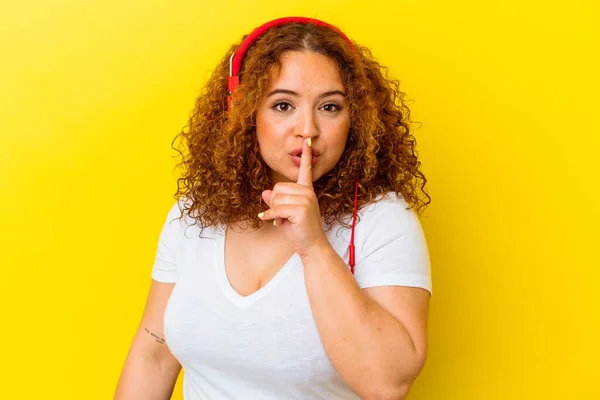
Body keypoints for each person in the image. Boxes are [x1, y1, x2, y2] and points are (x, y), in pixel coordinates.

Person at [115, 16, 432, 400]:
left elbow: (388, 384)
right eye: (283, 105)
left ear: (356, 118)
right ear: (242, 111)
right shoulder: (193, 214)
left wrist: (314, 247)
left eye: (330, 107)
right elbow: (154, 356)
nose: (308, 129)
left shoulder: (382, 220)